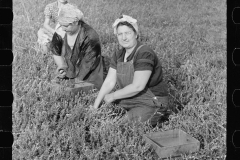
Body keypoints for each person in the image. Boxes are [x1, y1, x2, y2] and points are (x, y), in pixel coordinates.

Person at [92, 15, 169, 126]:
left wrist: (113, 96)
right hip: (132, 97)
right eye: (120, 34)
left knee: (122, 126)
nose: (124, 38)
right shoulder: (118, 53)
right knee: (105, 109)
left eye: (128, 33)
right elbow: (109, 81)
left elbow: (138, 86)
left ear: (136, 34)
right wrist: (95, 107)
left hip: (152, 101)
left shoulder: (144, 53)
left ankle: (160, 114)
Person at [50, 4, 105, 90]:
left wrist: (71, 81)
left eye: (66, 25)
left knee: (71, 92)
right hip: (72, 71)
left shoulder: (90, 36)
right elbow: (55, 50)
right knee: (52, 86)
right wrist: (63, 67)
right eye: (61, 25)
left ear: (76, 22)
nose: (63, 28)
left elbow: (88, 65)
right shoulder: (61, 30)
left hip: (89, 74)